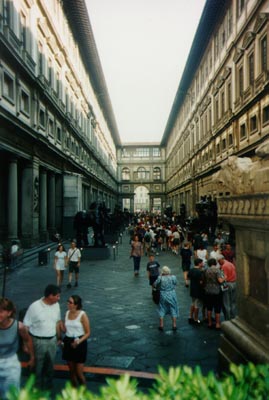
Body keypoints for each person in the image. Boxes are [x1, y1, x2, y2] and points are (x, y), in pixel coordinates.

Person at [23, 284, 62, 391]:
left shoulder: (56, 305)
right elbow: (25, 327)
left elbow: (57, 322)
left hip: (52, 341)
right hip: (38, 341)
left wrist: (59, 338)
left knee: (50, 366)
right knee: (37, 367)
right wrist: (25, 344)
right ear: (50, 296)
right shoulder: (34, 307)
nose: (59, 298)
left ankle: (48, 387)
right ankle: (37, 389)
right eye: (57, 296)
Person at [0, 297, 34, 399]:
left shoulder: (19, 327)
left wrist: (32, 357)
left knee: (11, 395)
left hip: (10, 364)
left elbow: (28, 340)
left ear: (9, 313)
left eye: (1, 312)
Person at [61, 295, 90, 387]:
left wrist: (78, 342)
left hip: (79, 343)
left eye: (70, 302)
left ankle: (83, 393)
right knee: (71, 372)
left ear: (76, 305)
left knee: (79, 372)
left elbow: (88, 333)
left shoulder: (82, 315)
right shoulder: (66, 313)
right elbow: (65, 330)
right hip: (68, 342)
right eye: (68, 301)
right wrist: (59, 324)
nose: (68, 303)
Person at [153, 266, 179, 331]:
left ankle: (161, 325)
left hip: (163, 294)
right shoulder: (173, 277)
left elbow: (154, 284)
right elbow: (176, 283)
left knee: (162, 308)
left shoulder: (160, 278)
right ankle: (174, 325)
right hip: (172, 294)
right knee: (173, 308)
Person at [203, 258, 225, 329]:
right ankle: (217, 324)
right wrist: (224, 278)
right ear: (215, 263)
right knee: (217, 308)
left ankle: (209, 323)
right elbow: (220, 281)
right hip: (216, 291)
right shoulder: (217, 270)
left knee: (209, 308)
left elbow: (203, 281)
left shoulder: (205, 270)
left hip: (208, 291)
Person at [218, 255, 237, 320]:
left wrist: (220, 279)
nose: (218, 263)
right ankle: (233, 316)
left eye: (219, 261)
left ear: (222, 259)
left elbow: (225, 277)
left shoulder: (224, 266)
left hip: (228, 284)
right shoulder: (230, 264)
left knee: (226, 302)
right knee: (233, 302)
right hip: (234, 283)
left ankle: (228, 318)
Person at [188, 258, 204, 325]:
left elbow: (188, 277)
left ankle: (190, 316)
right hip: (198, 289)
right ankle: (196, 319)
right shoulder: (199, 272)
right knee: (197, 305)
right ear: (199, 263)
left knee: (193, 303)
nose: (202, 264)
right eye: (202, 263)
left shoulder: (191, 270)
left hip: (192, 288)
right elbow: (201, 282)